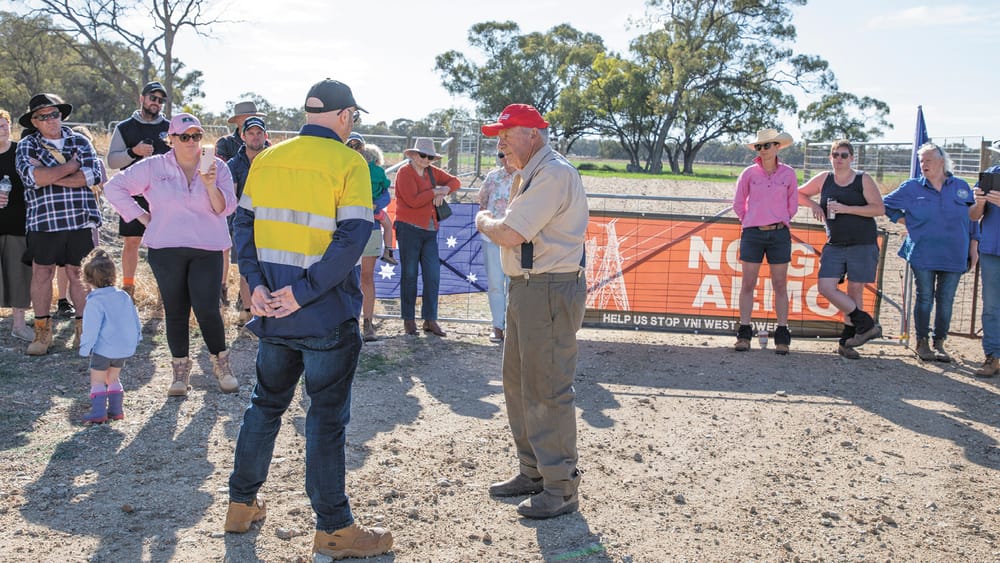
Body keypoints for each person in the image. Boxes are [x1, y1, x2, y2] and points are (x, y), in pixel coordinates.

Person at [227, 78, 392, 559]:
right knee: (324, 423)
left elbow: (243, 224)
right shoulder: (350, 162)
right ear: (345, 117)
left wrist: (256, 286)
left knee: (264, 407)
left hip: (273, 315)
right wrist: (300, 294)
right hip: (324, 316)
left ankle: (240, 506)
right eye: (354, 118)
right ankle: (334, 529)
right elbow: (351, 239)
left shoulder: (269, 157)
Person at [475, 103, 589, 519]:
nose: (500, 140)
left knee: (546, 388)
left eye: (508, 132)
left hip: (547, 289)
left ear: (533, 135)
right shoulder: (533, 172)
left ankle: (560, 485)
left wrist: (484, 220)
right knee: (519, 384)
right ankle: (535, 472)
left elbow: (509, 231)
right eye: (498, 134)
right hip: (528, 288)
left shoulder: (553, 172)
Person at [103, 113, 239, 396]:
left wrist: (210, 184)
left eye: (196, 136)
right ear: (171, 139)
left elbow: (224, 209)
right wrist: (141, 216)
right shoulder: (154, 166)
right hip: (166, 248)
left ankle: (221, 365)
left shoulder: (215, 166)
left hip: (208, 248)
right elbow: (114, 187)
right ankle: (179, 373)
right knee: (175, 310)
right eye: (185, 136)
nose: (192, 142)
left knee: (207, 308)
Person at [15, 93, 103, 355]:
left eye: (54, 114)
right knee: (42, 274)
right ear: (34, 121)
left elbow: (92, 175)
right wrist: (72, 167)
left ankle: (83, 332)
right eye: (44, 116)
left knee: (79, 275)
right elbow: (31, 179)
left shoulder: (80, 141)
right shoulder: (27, 145)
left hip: (79, 219)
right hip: (44, 220)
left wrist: (50, 174)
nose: (51, 120)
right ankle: (42, 333)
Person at [882, 142, 976, 362]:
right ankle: (922, 342)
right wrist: (903, 219)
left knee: (946, 300)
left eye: (928, 160)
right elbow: (884, 204)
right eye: (921, 160)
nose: (924, 164)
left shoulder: (961, 186)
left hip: (955, 253)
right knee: (924, 298)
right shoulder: (911, 188)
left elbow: (973, 220)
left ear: (941, 162)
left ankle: (940, 342)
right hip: (923, 252)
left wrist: (974, 247)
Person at [797, 140, 884, 359]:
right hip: (835, 243)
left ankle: (848, 342)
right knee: (826, 286)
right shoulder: (824, 178)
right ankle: (864, 322)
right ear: (830, 157)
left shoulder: (862, 179)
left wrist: (847, 209)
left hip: (862, 242)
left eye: (844, 155)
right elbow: (798, 193)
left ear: (852, 158)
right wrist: (814, 205)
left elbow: (878, 208)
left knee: (855, 290)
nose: (839, 159)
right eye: (835, 154)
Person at [732, 128, 799, 354]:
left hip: (779, 234)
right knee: (748, 283)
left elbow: (793, 205)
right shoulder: (749, 173)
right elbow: (738, 203)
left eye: (767, 145)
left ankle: (782, 333)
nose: (763, 150)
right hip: (753, 233)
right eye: (759, 146)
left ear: (777, 147)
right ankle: (743, 332)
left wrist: (780, 220)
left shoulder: (789, 174)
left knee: (780, 284)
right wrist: (751, 220)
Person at [107, 81, 171, 298]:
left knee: (164, 243)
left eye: (161, 100)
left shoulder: (170, 128)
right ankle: (128, 287)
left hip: (165, 194)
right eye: (153, 98)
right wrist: (133, 152)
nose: (157, 103)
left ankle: (164, 288)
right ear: (141, 99)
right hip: (133, 195)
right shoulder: (124, 127)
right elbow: (112, 161)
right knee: (132, 241)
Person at [393, 137, 461, 337]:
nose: (426, 159)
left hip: (430, 230)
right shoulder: (404, 173)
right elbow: (413, 201)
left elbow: (455, 181)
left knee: (433, 276)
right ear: (413, 155)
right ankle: (409, 319)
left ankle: (430, 319)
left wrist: (445, 190)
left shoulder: (432, 172)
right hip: (408, 229)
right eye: (422, 155)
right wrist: (434, 192)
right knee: (410, 275)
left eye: (429, 156)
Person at [78, 248, 141, 424]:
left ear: (87, 279)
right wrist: (137, 337)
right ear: (114, 275)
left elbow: (91, 328)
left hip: (103, 349)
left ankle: (98, 412)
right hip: (122, 348)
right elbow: (135, 319)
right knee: (113, 377)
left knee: (98, 380)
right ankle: (116, 410)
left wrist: (85, 348)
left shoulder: (94, 301)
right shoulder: (123, 296)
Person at [346, 131, 394, 342]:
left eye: (358, 146)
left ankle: (367, 323)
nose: (355, 149)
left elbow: (385, 194)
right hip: (344, 229)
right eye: (351, 145)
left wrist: (376, 206)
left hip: (369, 227)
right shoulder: (338, 168)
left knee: (366, 276)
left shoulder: (373, 172)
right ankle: (347, 322)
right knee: (343, 277)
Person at [225, 116, 268, 326]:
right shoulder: (234, 164)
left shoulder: (274, 160)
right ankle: (248, 312)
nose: (255, 137)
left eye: (259, 133)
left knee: (268, 266)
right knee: (245, 267)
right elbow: (231, 196)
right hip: (243, 222)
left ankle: (265, 312)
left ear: (265, 136)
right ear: (243, 136)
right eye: (250, 133)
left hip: (270, 221)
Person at [0, 108, 34, 341]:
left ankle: (19, 325)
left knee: (20, 276)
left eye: (4, 124)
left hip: (19, 223)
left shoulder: (19, 151)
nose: (1, 128)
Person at [477, 151, 515, 343]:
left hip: (516, 239)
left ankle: (513, 327)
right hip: (492, 238)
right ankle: (497, 326)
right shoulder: (493, 177)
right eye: (501, 155)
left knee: (513, 285)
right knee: (495, 283)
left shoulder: (526, 177)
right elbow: (482, 201)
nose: (505, 159)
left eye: (508, 154)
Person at [970, 140, 1000, 376]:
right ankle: (992, 356)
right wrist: (979, 203)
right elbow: (973, 215)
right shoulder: (990, 175)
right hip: (991, 250)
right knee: (991, 306)